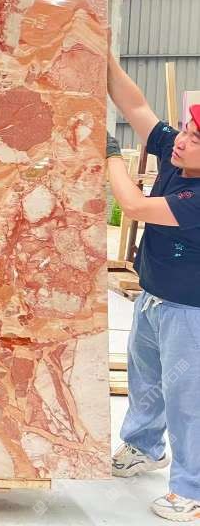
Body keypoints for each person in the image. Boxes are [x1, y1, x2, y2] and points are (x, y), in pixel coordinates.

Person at [106, 51, 200, 522]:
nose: (181, 140)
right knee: (146, 379)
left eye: (195, 139)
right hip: (153, 297)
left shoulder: (197, 197)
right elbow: (136, 106)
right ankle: (144, 445)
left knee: (188, 400)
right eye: (185, 130)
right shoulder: (177, 159)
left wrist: (109, 156)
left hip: (189, 312)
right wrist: (102, 54)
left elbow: (136, 207)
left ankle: (191, 488)